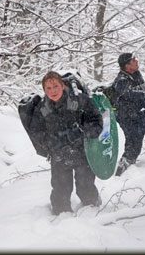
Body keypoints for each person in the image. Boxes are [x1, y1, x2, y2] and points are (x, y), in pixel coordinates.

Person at [29, 71, 103, 215]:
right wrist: (53, 143)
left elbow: (96, 121)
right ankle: (61, 217)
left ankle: (92, 212)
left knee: (86, 185)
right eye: (48, 88)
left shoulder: (80, 100)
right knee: (60, 188)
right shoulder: (42, 108)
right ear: (44, 90)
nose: (52, 91)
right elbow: (36, 131)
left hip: (82, 152)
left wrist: (84, 133)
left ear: (62, 85)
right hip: (59, 155)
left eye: (55, 86)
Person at [111, 53, 145, 176]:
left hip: (138, 114)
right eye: (133, 60)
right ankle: (121, 171)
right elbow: (130, 94)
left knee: (138, 140)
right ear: (127, 65)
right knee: (133, 141)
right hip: (126, 116)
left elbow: (140, 92)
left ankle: (129, 165)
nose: (136, 61)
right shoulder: (121, 80)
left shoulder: (136, 74)